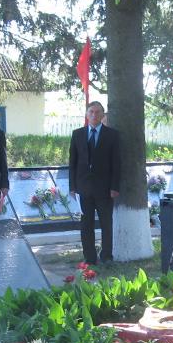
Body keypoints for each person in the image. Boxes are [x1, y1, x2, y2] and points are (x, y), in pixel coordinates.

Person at [69, 101, 121, 264]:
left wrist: (115, 187)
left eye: (98, 112)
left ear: (103, 115)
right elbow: (72, 162)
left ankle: (106, 256)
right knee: (86, 225)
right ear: (86, 114)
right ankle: (89, 258)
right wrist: (72, 187)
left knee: (106, 224)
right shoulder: (77, 134)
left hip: (105, 189)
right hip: (84, 188)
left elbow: (117, 163)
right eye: (91, 112)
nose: (94, 115)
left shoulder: (112, 135)